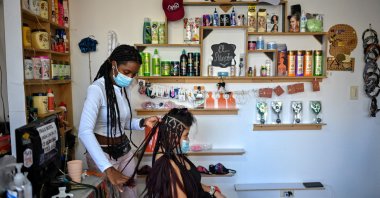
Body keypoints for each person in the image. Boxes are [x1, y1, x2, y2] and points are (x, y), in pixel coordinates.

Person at [78, 44, 159, 197]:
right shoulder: (97, 89)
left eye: (133, 74)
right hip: (103, 155)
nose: (129, 78)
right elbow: (84, 131)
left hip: (125, 152)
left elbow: (123, 123)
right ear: (113, 64)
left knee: (131, 193)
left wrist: (142, 122)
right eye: (126, 72)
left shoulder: (124, 89)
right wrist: (108, 168)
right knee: (109, 194)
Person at [130, 108, 226, 198]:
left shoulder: (173, 153)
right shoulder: (168, 165)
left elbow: (192, 181)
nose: (187, 139)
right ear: (173, 134)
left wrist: (213, 191)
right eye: (185, 135)